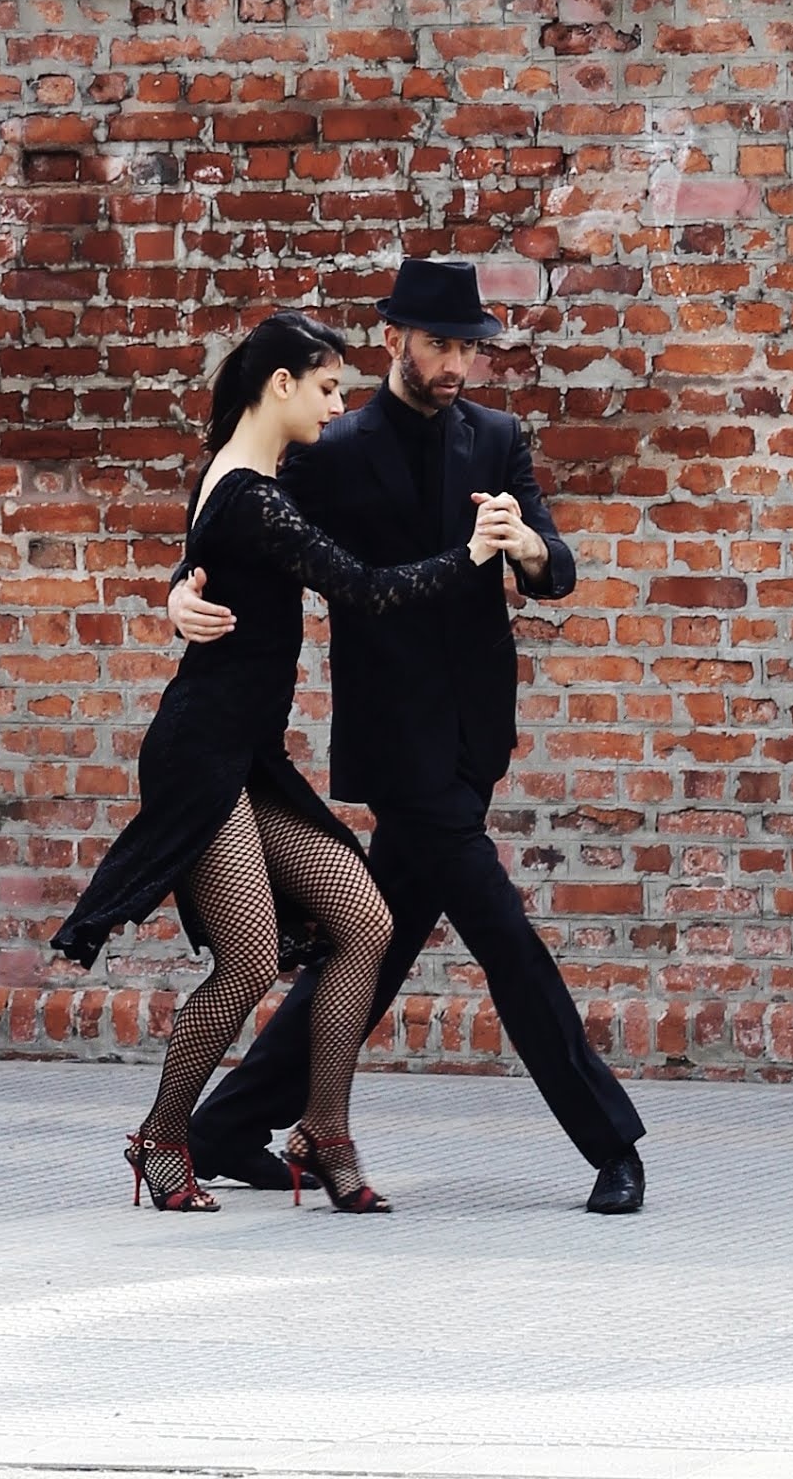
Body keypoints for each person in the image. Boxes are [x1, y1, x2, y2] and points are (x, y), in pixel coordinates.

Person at [168, 260, 649, 1215]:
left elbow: (558, 572)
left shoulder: (498, 439)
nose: (458, 363)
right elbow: (234, 513)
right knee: (505, 939)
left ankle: (225, 1125)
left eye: (470, 346)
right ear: (395, 340)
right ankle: (611, 1142)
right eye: (440, 344)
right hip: (397, 737)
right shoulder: (332, 445)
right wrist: (180, 588)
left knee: (371, 945)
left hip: (477, 732)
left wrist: (528, 548)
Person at [53, 308, 507, 1216]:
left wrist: (175, 588)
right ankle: (161, 1136)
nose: (341, 406)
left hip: (245, 752)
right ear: (283, 385)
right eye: (330, 388)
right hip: (202, 755)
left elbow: (199, 554)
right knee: (249, 961)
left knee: (362, 923)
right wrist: (471, 555)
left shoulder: (242, 472)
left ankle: (321, 1128)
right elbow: (369, 591)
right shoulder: (254, 497)